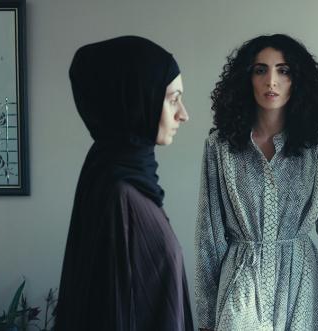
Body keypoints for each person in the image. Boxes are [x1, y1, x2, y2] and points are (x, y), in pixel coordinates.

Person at [194, 34, 318, 331]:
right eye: (261, 70)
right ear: (247, 79)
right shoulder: (221, 146)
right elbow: (209, 240)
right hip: (242, 285)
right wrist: (206, 321)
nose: (271, 80)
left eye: (283, 70)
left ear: (298, 80)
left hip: (300, 289)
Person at [55, 36, 193, 331]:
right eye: (172, 99)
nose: (183, 114)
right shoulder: (122, 196)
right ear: (136, 99)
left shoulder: (117, 176)